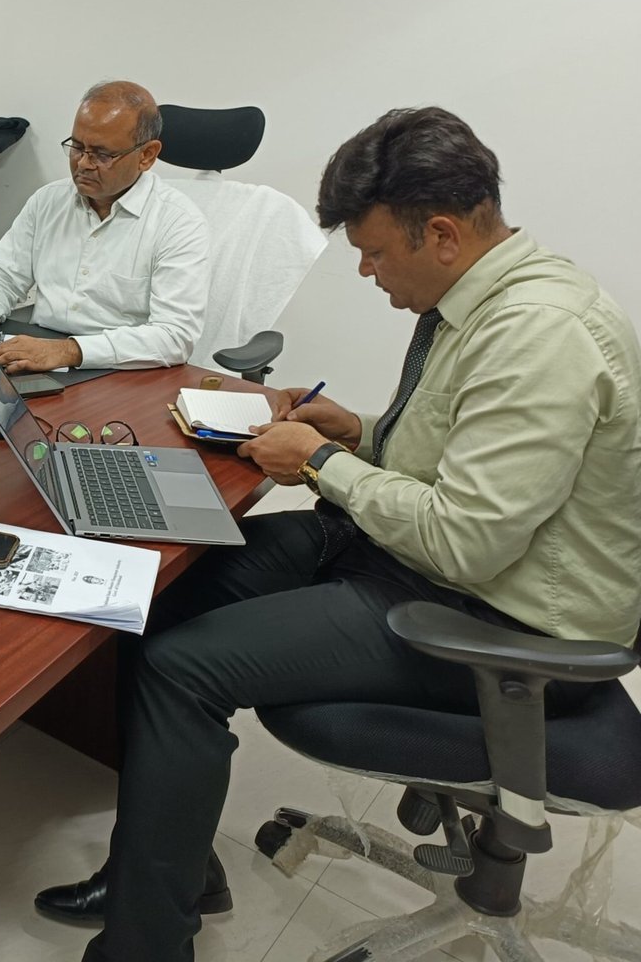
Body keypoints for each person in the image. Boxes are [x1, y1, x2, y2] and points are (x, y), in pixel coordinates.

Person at [35, 106, 641, 962]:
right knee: (156, 596)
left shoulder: (538, 334)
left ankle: (147, 944)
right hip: (413, 557)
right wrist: (356, 430)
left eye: (375, 251)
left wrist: (320, 462)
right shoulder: (485, 299)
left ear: (441, 234)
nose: (365, 269)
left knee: (182, 667)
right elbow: (459, 454)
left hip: (497, 618)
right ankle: (174, 872)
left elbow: (469, 542)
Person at [0, 80, 209, 373]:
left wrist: (69, 351)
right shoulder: (48, 201)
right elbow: (3, 276)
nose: (83, 163)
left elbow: (175, 336)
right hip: (40, 362)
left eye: (102, 154)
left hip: (124, 372)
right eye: (77, 147)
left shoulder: (177, 222)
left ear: (146, 155)